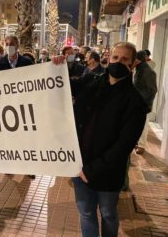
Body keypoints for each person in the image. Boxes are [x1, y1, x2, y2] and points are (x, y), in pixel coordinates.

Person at [53, 42, 147, 237]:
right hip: (80, 167)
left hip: (107, 172)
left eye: (124, 59)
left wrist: (92, 169)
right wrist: (57, 66)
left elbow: (123, 146)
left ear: (133, 64)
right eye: (115, 58)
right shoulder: (92, 82)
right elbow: (64, 85)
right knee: (86, 213)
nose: (118, 62)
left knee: (108, 214)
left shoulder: (135, 102)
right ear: (108, 58)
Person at [0, 36, 35, 179]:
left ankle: (30, 167)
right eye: (7, 44)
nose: (9, 46)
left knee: (27, 138)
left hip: (24, 106)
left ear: (17, 45)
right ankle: (9, 165)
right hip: (6, 107)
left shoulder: (27, 62)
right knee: (9, 138)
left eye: (12, 44)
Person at [133, 50, 157, 154]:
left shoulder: (147, 71)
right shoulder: (139, 69)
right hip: (138, 103)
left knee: (143, 124)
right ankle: (137, 143)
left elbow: (152, 90)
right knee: (137, 124)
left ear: (138, 60)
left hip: (143, 104)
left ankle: (141, 145)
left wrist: (141, 102)